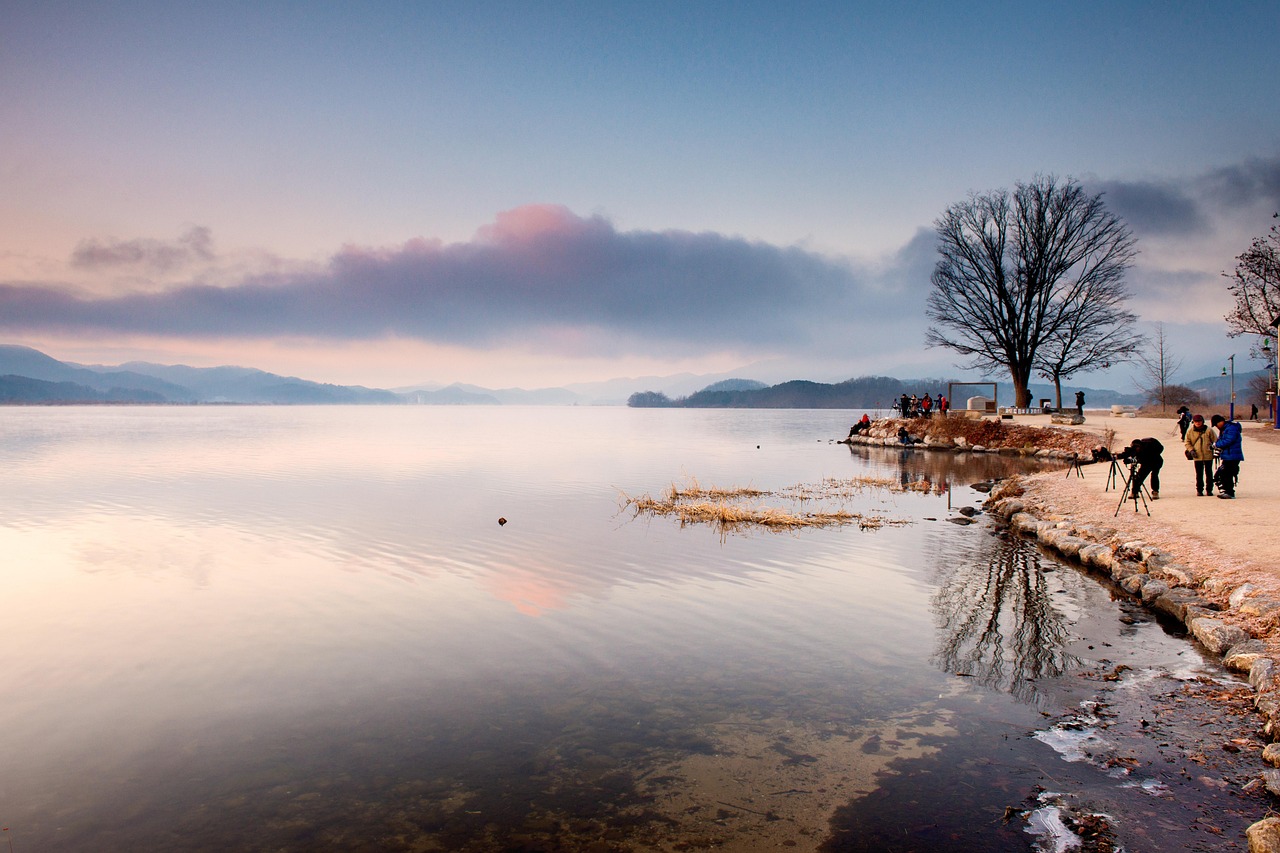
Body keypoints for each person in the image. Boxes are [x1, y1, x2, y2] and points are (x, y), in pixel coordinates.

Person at [1183, 414, 1217, 496]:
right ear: (1193, 422)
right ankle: (1199, 490)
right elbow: (1187, 442)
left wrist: (1213, 448)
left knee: (1209, 473)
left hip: (1208, 455)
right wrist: (1191, 450)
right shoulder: (1190, 431)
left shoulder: (1209, 430)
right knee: (1199, 474)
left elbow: (1216, 441)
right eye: (1196, 421)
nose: (1197, 423)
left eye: (1199, 421)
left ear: (1202, 421)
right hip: (1197, 456)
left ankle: (1209, 490)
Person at [1212, 414, 1243, 499]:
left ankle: (1229, 493)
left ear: (1220, 422)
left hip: (1232, 455)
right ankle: (1227, 491)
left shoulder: (1231, 428)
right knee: (1224, 473)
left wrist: (1216, 445)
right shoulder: (1225, 428)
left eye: (1216, 424)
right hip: (1229, 455)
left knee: (1226, 473)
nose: (1216, 427)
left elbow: (1228, 440)